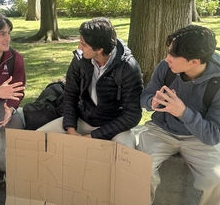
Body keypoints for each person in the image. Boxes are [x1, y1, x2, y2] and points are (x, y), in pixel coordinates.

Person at [138, 25, 220, 205]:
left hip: (199, 138)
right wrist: (152, 102)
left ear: (194, 61)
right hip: (162, 131)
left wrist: (183, 112)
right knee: (139, 168)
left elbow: (214, 135)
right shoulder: (165, 68)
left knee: (218, 183)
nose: (167, 59)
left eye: (173, 55)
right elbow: (145, 97)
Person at [37, 17, 143, 148]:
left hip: (114, 126)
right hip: (83, 119)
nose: (79, 47)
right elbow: (70, 95)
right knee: (37, 138)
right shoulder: (80, 60)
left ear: (99, 49)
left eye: (84, 44)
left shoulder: (129, 68)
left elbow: (132, 115)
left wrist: (94, 136)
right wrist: (70, 128)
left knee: (126, 156)